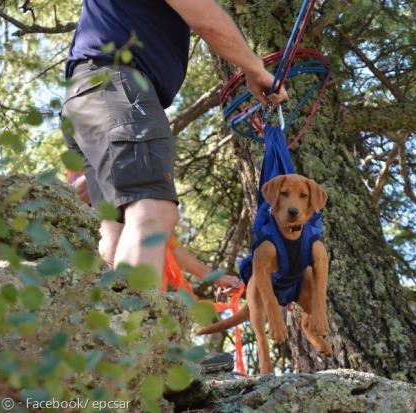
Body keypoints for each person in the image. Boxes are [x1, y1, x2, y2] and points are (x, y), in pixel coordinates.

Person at [61, 0, 287, 281]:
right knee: (152, 208)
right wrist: (256, 69)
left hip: (90, 95)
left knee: (115, 229)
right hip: (117, 85)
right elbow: (207, 21)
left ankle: (114, 319)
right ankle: (136, 323)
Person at [66, 171, 241, 289]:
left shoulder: (144, 197)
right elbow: (74, 195)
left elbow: (168, 244)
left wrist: (212, 276)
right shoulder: (86, 165)